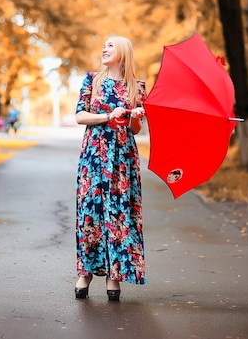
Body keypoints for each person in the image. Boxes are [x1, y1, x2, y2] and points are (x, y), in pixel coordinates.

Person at [73, 35, 147, 301]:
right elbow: (80, 115)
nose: (104, 49)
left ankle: (115, 275)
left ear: (123, 52)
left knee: (119, 214)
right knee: (90, 212)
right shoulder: (93, 80)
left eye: (110, 46)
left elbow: (135, 130)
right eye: (103, 46)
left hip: (122, 159)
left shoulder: (137, 87)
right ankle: (85, 272)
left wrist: (134, 117)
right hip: (94, 155)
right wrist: (108, 115)